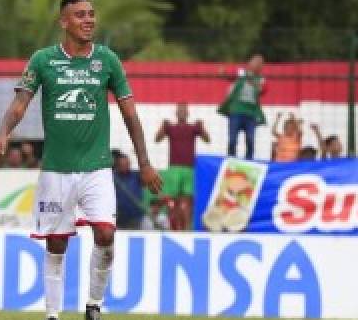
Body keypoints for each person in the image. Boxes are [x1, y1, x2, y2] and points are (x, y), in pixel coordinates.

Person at [0, 0, 162, 320]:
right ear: (64, 22)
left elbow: (130, 114)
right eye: (80, 15)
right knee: (57, 242)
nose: (89, 20)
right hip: (57, 168)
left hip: (97, 168)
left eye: (91, 14)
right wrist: (4, 132)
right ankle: (52, 316)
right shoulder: (43, 60)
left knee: (106, 234)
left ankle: (94, 308)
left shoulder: (107, 60)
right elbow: (20, 103)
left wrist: (145, 162)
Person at [155, 102, 209, 230]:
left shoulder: (193, 127)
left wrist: (202, 128)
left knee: (187, 202)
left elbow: (207, 139)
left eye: (184, 110)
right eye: (180, 110)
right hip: (174, 168)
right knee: (172, 201)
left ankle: (186, 229)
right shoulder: (170, 127)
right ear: (176, 112)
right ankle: (173, 228)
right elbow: (157, 139)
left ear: (188, 113)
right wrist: (162, 127)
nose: (182, 112)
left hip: (189, 168)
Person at [218, 54, 266, 159]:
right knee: (232, 140)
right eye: (255, 61)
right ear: (250, 63)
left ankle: (248, 160)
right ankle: (231, 159)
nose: (257, 64)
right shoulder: (241, 73)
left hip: (251, 113)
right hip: (237, 111)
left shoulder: (261, 79)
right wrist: (223, 73)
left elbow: (262, 90)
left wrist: (251, 81)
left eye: (260, 63)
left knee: (250, 140)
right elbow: (231, 77)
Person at [112, 151, 147, 230]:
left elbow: (146, 180)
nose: (125, 166)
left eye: (127, 164)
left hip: (135, 218)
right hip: (118, 218)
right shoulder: (113, 178)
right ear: (117, 165)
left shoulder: (136, 176)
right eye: (122, 165)